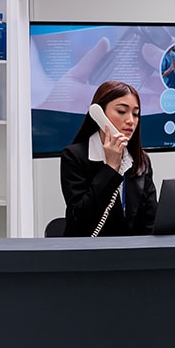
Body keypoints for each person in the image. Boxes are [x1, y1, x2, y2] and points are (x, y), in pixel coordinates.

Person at [60, 80, 158, 237]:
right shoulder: (74, 157)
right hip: (88, 254)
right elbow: (80, 218)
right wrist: (111, 167)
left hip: (133, 255)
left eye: (135, 114)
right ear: (99, 115)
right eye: (121, 111)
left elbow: (151, 221)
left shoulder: (141, 160)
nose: (131, 121)